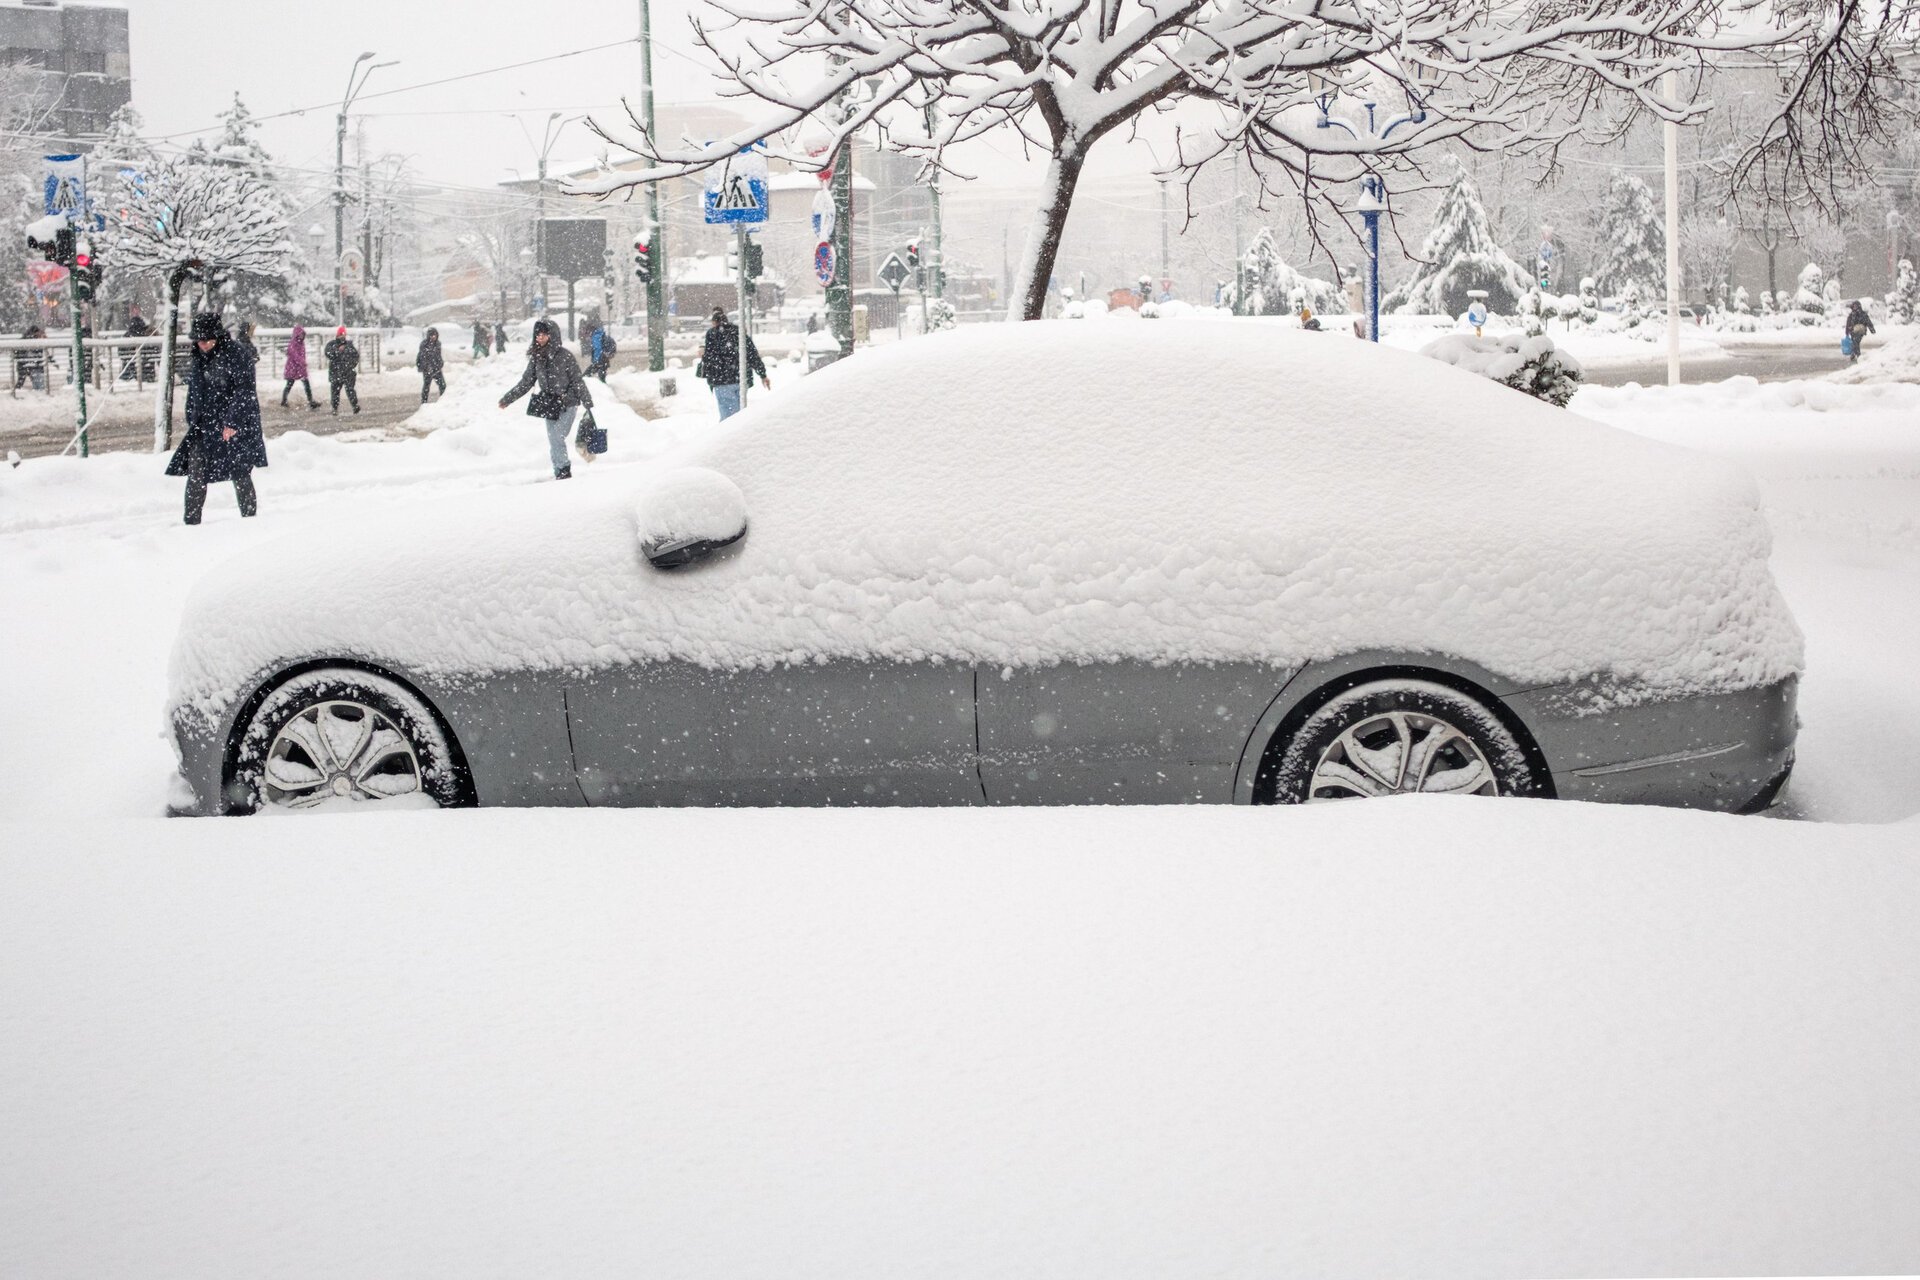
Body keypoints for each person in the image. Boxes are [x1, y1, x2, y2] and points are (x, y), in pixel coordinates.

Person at [165, 313, 267, 526]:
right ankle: (191, 524)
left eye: (205, 339)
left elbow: (245, 391)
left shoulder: (237, 354)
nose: (201, 344)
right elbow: (195, 390)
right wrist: (192, 416)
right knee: (196, 473)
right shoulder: (199, 356)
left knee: (240, 472)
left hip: (234, 425)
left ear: (217, 336)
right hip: (205, 424)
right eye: (198, 340)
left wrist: (233, 422)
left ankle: (250, 522)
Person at [498, 317, 593, 480]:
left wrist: (587, 401)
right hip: (550, 404)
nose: (540, 338)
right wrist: (508, 399)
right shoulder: (537, 358)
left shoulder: (565, 356)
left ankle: (563, 470)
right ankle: (559, 471)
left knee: (557, 437)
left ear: (552, 335)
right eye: (537, 335)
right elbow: (526, 382)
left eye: (543, 334)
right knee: (554, 440)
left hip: (568, 403)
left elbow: (577, 381)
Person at [697, 307, 768, 421]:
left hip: (721, 380)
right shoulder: (738, 332)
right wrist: (762, 374)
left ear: (714, 322)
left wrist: (706, 364)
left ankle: (731, 431)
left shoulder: (712, 334)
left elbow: (710, 357)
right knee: (740, 413)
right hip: (740, 378)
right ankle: (740, 428)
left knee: (728, 417)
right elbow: (752, 354)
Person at [280, 323, 319, 409]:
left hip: (299, 368)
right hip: (293, 367)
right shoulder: (293, 343)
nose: (302, 336)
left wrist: (302, 363)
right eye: (300, 334)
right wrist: (302, 362)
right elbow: (294, 355)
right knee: (290, 384)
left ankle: (310, 401)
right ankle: (284, 400)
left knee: (306, 384)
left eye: (302, 334)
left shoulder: (301, 343)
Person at [324, 326, 361, 414]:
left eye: (343, 334)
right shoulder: (332, 344)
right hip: (336, 372)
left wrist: (351, 365)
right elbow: (328, 354)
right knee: (335, 391)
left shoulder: (349, 345)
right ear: (337, 335)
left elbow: (356, 356)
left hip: (348, 372)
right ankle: (335, 408)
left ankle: (354, 405)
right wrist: (337, 351)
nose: (342, 336)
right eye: (340, 334)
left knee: (350, 389)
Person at [11, 323, 46, 396]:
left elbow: (16, 353)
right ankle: (38, 393)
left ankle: (15, 392)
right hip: (30, 364)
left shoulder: (24, 340)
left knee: (21, 380)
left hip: (24, 364)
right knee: (31, 380)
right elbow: (38, 354)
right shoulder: (33, 341)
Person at [123, 307, 153, 384]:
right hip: (146, 369)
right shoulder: (146, 335)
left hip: (130, 368)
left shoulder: (127, 335)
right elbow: (153, 351)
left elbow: (121, 353)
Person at [416, 326, 446, 402]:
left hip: (437, 368)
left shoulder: (438, 344)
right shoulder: (424, 344)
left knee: (442, 385)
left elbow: (438, 355)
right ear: (429, 336)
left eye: (435, 335)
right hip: (427, 369)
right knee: (426, 387)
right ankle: (424, 402)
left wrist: (440, 363)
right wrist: (427, 367)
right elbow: (423, 357)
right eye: (432, 335)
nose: (433, 337)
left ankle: (443, 401)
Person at [1845, 299, 1876, 364]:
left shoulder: (1863, 314)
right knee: (1854, 342)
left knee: (1856, 341)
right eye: (1854, 306)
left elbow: (1868, 321)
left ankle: (1858, 355)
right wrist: (1847, 332)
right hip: (1853, 331)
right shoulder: (1851, 315)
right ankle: (1854, 353)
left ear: (1859, 306)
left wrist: (1872, 329)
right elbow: (1848, 323)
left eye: (1856, 306)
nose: (1855, 307)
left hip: (1860, 331)